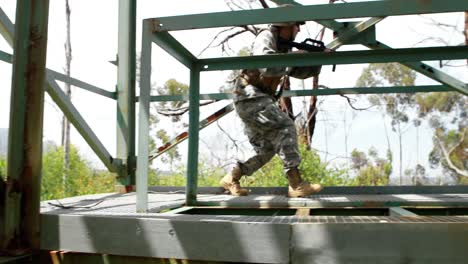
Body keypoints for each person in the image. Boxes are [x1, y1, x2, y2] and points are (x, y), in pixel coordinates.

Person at [220, 16, 325, 198]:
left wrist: (317, 59)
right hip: (250, 97)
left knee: (267, 149)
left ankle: (232, 177)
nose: (298, 30)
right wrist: (294, 56)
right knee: (285, 126)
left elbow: (299, 71)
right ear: (285, 25)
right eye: (296, 26)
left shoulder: (282, 46)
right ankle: (296, 184)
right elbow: (267, 65)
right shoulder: (266, 36)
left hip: (254, 99)